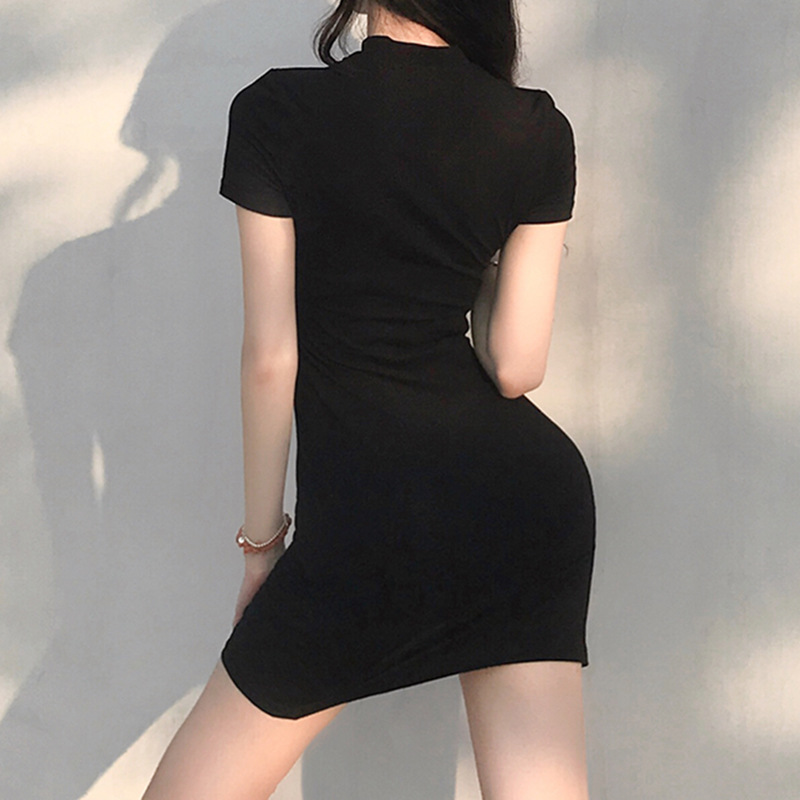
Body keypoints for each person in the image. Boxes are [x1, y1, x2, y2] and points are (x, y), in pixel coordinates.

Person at [142, 1, 595, 797]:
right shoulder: (532, 126)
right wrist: (473, 254)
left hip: (369, 516)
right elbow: (514, 365)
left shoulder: (276, 110)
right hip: (522, 507)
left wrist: (262, 549)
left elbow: (270, 359)